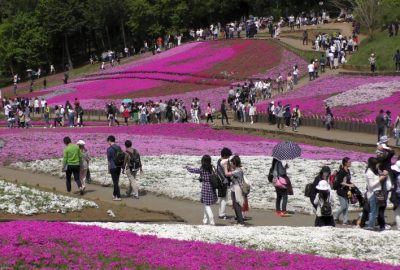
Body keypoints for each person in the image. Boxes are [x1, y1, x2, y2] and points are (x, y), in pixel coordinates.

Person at [186, 155, 217, 225]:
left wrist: (187, 167)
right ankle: (205, 220)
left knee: (207, 205)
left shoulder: (202, 169)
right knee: (206, 204)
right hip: (212, 187)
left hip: (205, 187)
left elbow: (193, 170)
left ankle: (212, 221)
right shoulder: (212, 168)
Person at [365, 157, 388, 230]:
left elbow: (381, 175)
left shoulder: (375, 171)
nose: (378, 165)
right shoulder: (369, 172)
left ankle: (372, 225)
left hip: (378, 192)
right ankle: (370, 226)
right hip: (373, 193)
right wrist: (380, 179)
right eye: (377, 164)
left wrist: (383, 174)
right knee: (373, 211)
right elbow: (371, 185)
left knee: (376, 210)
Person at [223, 155, 246, 225]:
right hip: (234, 188)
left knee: (237, 206)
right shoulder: (236, 170)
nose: (231, 164)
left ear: (235, 163)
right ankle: (239, 221)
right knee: (235, 205)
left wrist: (224, 166)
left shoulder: (238, 171)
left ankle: (241, 222)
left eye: (232, 163)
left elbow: (226, 174)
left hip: (237, 189)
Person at [333, 157, 354, 225]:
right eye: (349, 162)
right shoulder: (341, 172)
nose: (350, 163)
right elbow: (340, 182)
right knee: (344, 206)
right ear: (345, 163)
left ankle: (345, 221)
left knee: (346, 206)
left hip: (346, 190)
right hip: (341, 191)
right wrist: (349, 185)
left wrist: (351, 184)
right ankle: (335, 217)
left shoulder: (348, 171)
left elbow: (347, 180)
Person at [216, 147, 232, 220]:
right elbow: (228, 172)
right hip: (225, 182)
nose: (229, 157)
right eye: (228, 156)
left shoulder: (219, 161)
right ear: (225, 155)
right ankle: (222, 214)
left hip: (220, 182)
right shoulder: (225, 162)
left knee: (222, 198)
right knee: (224, 199)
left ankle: (221, 213)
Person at [107, 135, 123, 201]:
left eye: (108, 141)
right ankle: (114, 194)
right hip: (119, 166)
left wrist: (108, 169)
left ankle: (118, 196)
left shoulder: (109, 149)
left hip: (113, 166)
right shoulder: (119, 147)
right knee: (116, 181)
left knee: (115, 182)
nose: (108, 142)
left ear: (110, 141)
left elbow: (109, 160)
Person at [390, 160, 400, 230]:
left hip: (397, 195)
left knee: (397, 212)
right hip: (397, 195)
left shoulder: (397, 176)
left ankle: (399, 227)